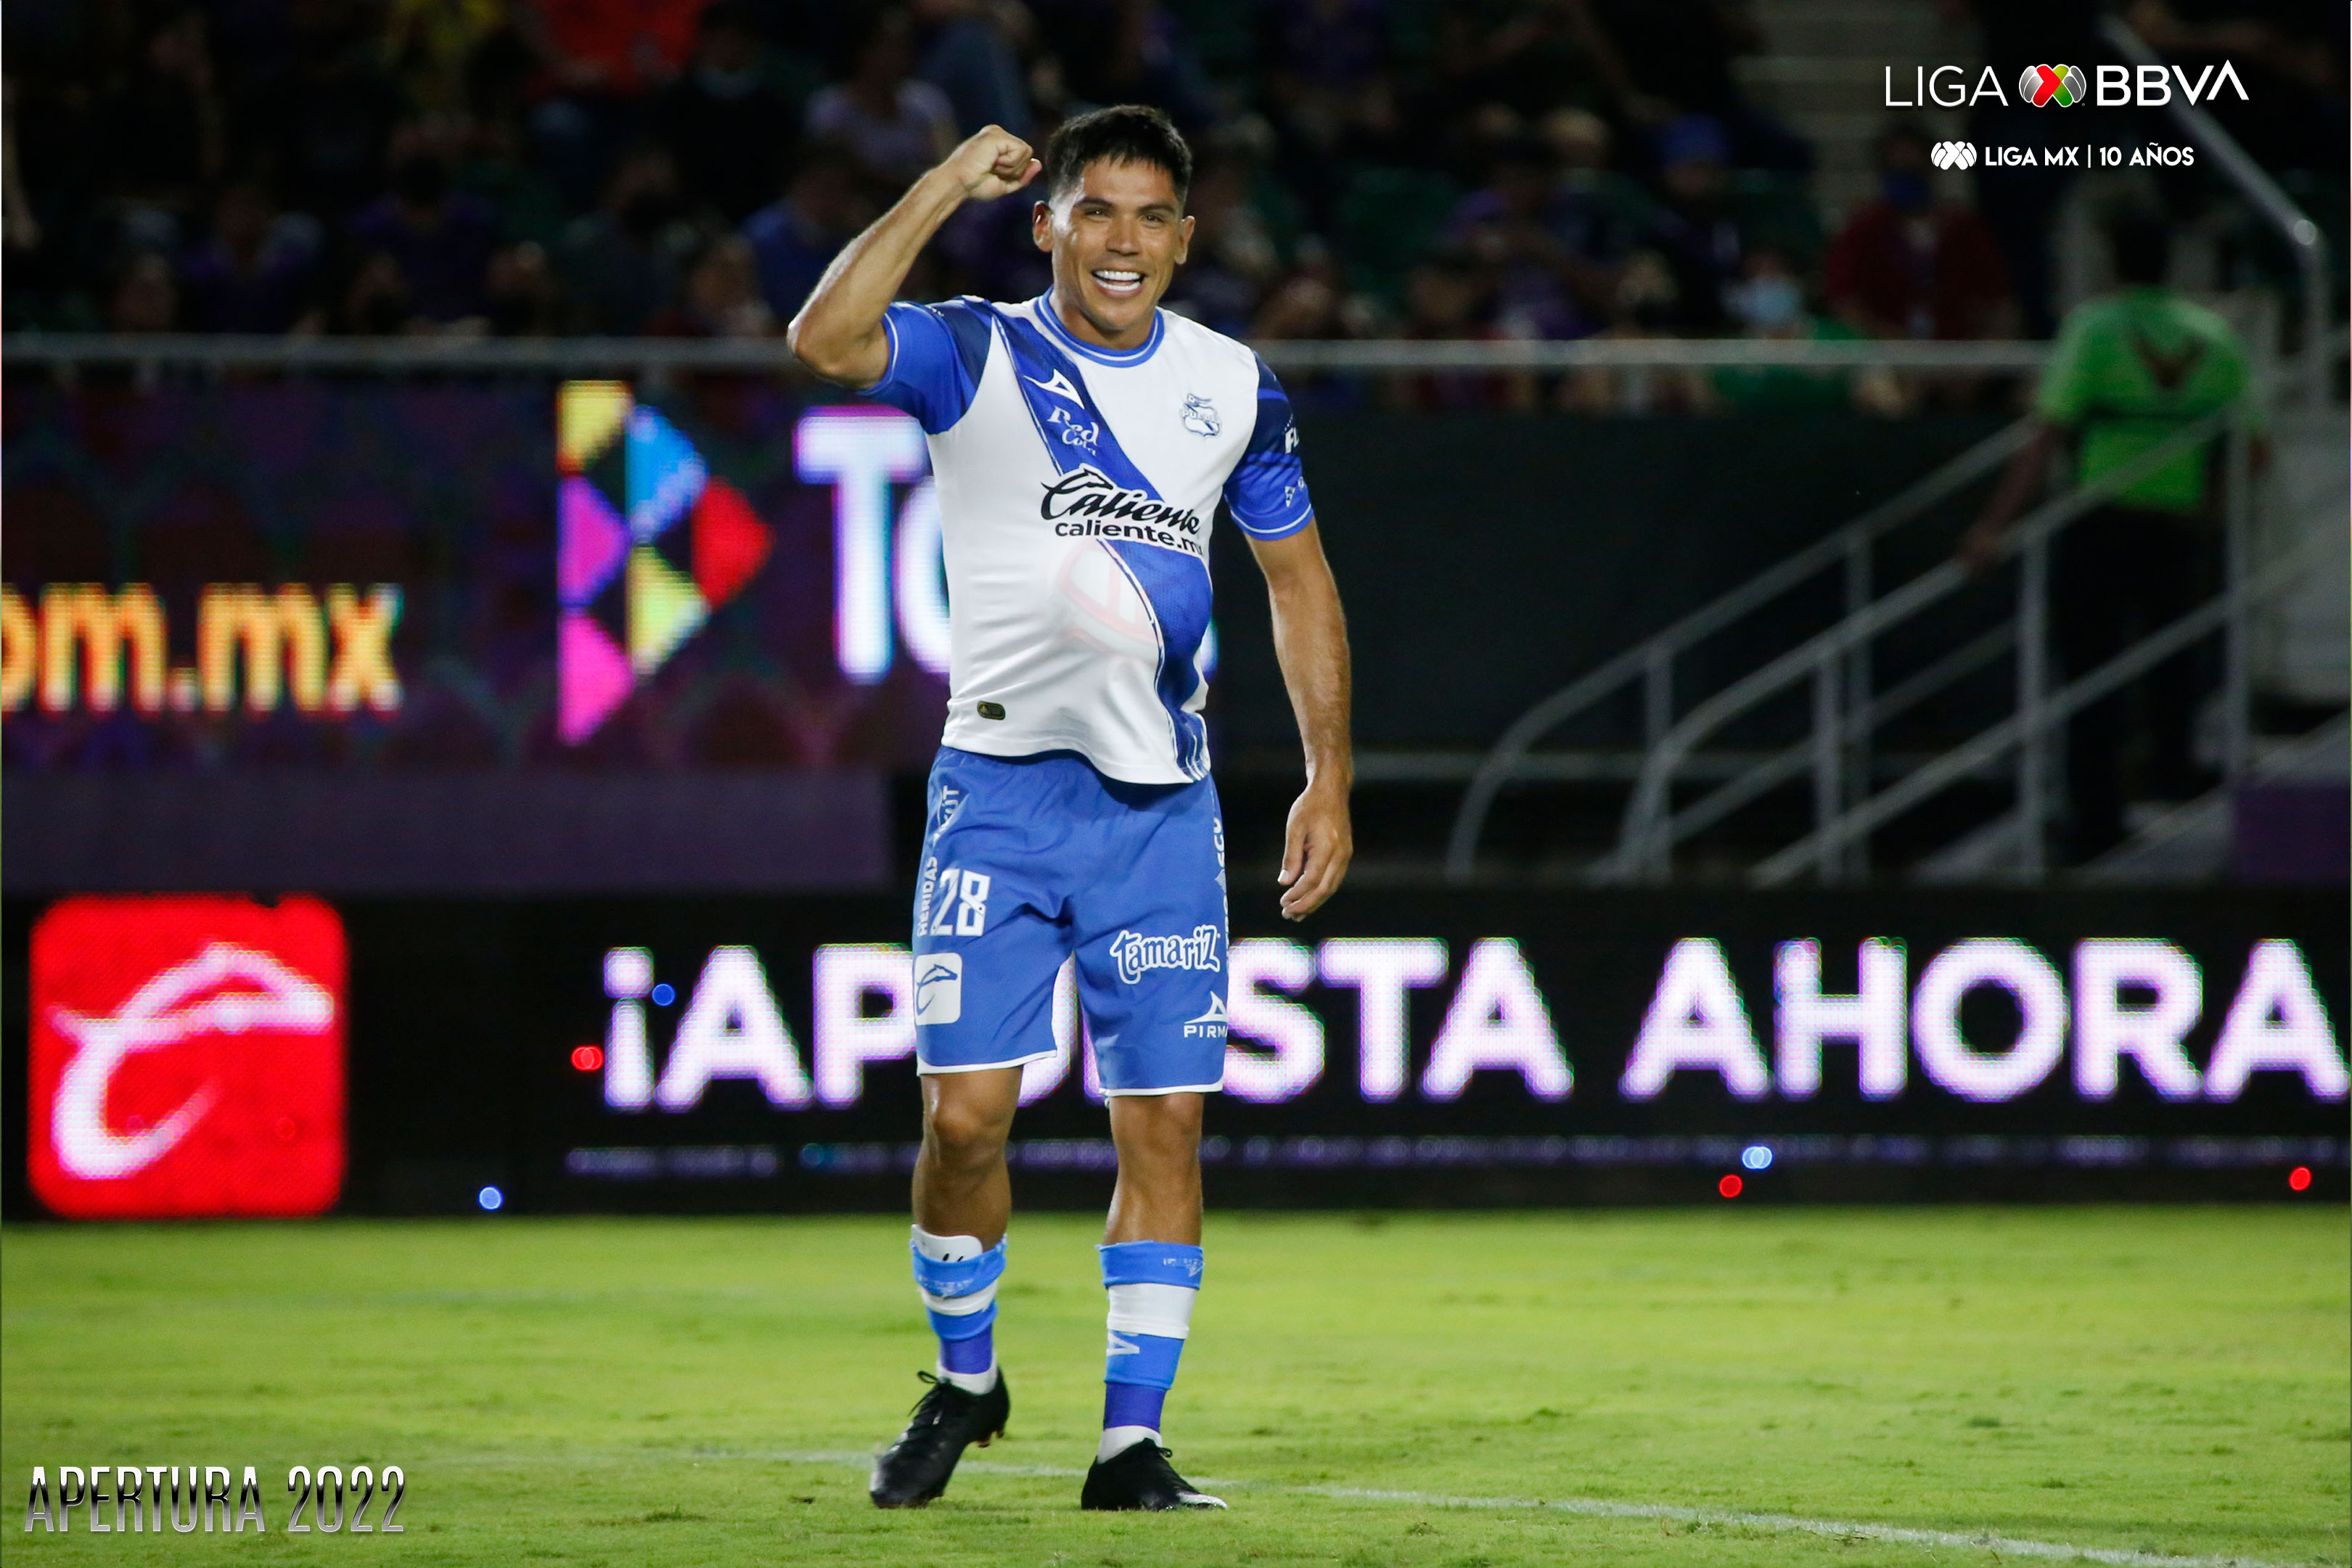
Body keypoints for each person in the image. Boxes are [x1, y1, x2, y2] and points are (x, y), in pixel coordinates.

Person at [789, 104, 1353, 1513]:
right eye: (1093, 211)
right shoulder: (976, 349)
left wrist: (1329, 774)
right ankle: (967, 1381)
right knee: (966, 1121)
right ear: (1046, 222)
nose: (1121, 242)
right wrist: (939, 183)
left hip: (1161, 810)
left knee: (1162, 1126)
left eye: (1150, 217)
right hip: (995, 795)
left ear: (1182, 240)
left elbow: (1295, 581)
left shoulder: (1232, 386)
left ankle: (1127, 1447)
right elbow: (823, 339)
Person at [1957, 212, 2264, 862]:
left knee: (2091, 672)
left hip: (2103, 518)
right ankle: (2173, 772)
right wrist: (2208, 509)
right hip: (2178, 525)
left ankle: (2096, 816)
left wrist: (1992, 526)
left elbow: (2046, 437)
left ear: (2111, 265)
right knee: (2172, 659)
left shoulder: (2094, 328)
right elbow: (2253, 449)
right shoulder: (2212, 336)